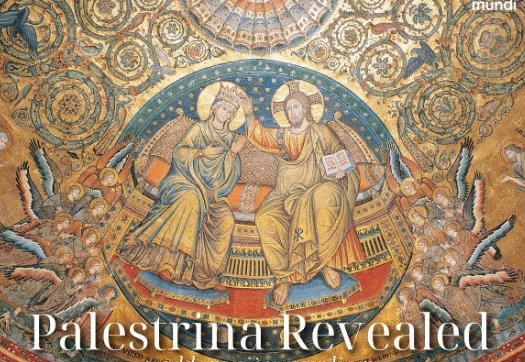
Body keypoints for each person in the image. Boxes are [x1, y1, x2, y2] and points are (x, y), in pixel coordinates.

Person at [241, 81, 364, 306]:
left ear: (305, 108)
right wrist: (249, 112)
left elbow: (340, 153)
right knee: (265, 217)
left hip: (319, 185)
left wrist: (340, 170)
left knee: (324, 197)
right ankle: (284, 277)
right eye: (288, 109)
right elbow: (260, 136)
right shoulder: (282, 136)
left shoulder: (321, 131)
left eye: (296, 107)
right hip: (285, 192)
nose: (292, 112)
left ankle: (324, 264)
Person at [122, 83, 246, 290]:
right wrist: (202, 153)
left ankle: (204, 275)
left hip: (211, 193)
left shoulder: (232, 140)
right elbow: (179, 153)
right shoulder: (199, 129)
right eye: (224, 108)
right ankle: (168, 264)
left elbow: (229, 179)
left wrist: (232, 153)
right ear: (214, 108)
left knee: (225, 218)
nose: (226, 113)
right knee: (190, 200)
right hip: (183, 181)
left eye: (231, 112)